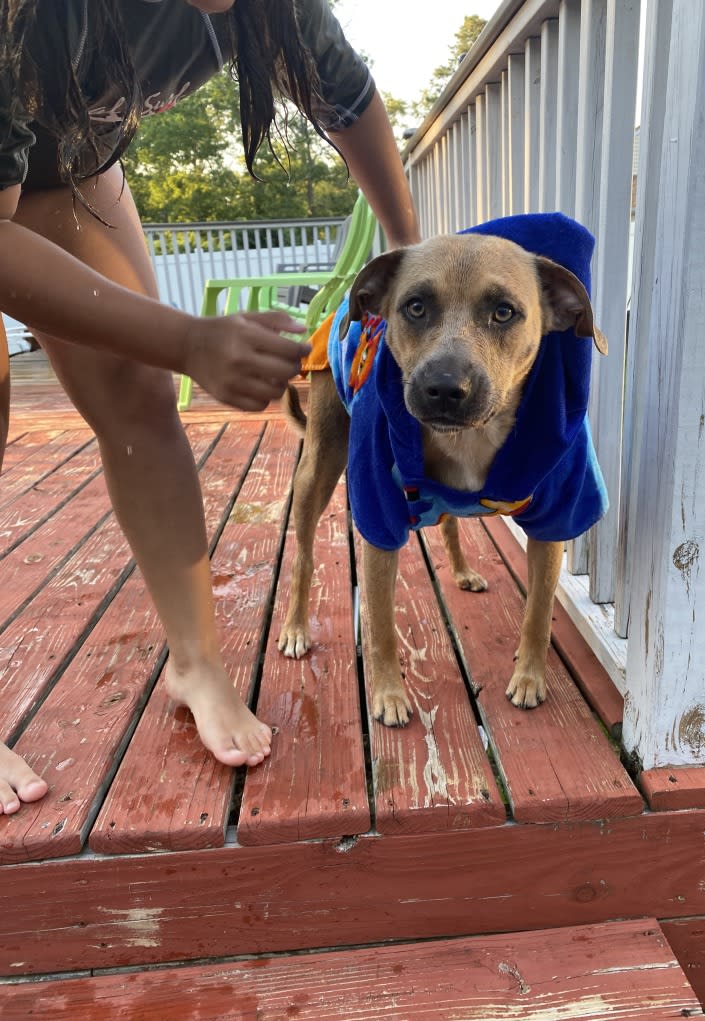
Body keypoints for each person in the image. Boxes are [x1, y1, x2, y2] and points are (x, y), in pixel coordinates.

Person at [0, 0, 421, 815]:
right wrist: (191, 341)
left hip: (69, 159)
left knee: (139, 395)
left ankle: (194, 663)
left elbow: (348, 96)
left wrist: (405, 248)